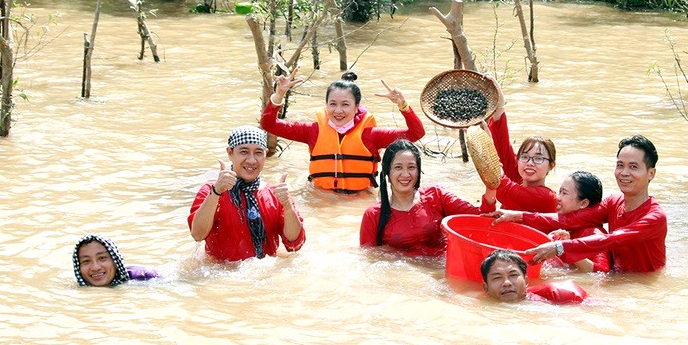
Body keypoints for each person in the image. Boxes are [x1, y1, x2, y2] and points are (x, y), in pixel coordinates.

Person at [488, 135, 667, 273]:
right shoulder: (614, 202)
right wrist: (517, 216)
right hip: (617, 277)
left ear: (651, 174)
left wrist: (559, 247)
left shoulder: (655, 217)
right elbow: (569, 219)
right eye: (620, 165)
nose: (624, 173)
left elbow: (609, 239)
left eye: (633, 167)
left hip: (643, 284)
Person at [260, 70, 425, 193]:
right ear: (326, 106)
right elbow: (269, 124)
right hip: (319, 197)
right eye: (332, 104)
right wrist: (279, 94)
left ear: (356, 107)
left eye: (345, 104)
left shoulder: (371, 135)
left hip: (359, 199)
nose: (338, 110)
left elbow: (416, 133)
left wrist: (403, 105)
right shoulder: (313, 131)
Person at [188, 126, 306, 262]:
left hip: (264, 274)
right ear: (230, 153)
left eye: (258, 153)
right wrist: (216, 192)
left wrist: (287, 207)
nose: (251, 160)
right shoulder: (211, 190)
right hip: (222, 276)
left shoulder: (276, 194)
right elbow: (197, 234)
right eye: (244, 152)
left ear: (265, 154)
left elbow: (295, 245)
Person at [359, 139, 495, 256]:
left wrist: (491, 187)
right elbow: (370, 259)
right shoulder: (373, 215)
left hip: (442, 272)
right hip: (405, 279)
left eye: (411, 167)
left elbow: (479, 218)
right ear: (388, 172)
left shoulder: (436, 196)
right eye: (398, 167)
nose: (405, 174)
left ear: (418, 170)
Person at [481, 81, 557, 212]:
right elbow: (502, 146)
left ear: (551, 166)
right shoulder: (518, 179)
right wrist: (499, 104)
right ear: (518, 160)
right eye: (525, 157)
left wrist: (485, 145)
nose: (530, 163)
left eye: (538, 159)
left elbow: (502, 188)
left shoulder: (547, 197)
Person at [548, 171, 610, 273]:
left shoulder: (595, 234)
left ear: (583, 203)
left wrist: (568, 248)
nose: (558, 198)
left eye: (564, 193)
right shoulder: (562, 228)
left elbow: (601, 273)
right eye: (559, 192)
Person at [481, 249, 587, 303]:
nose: (507, 283)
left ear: (526, 281)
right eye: (497, 277)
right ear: (486, 288)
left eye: (513, 275)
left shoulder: (559, 295)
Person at [73, 234, 159, 287]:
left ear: (115, 261)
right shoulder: (77, 290)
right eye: (86, 261)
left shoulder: (144, 277)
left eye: (102, 258)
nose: (95, 267)